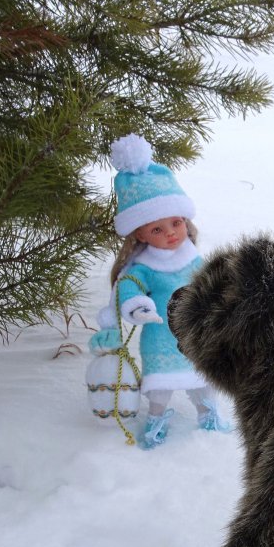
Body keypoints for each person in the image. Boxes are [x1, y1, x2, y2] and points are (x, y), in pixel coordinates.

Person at [89, 133, 230, 449]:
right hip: (159, 337)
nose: (170, 234)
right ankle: (156, 422)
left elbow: (215, 283)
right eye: (156, 229)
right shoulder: (143, 267)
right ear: (139, 233)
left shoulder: (194, 258)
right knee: (161, 388)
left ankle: (209, 417)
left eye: (176, 223)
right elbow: (129, 287)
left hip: (196, 336)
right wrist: (137, 305)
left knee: (202, 382)